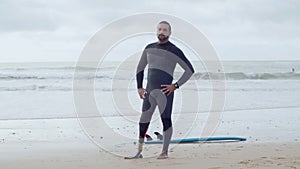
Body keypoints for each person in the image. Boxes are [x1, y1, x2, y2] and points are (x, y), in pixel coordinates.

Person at [135, 21, 194, 159]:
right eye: (160, 29)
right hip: (149, 92)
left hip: (165, 93)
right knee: (143, 120)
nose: (162, 32)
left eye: (165, 30)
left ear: (169, 33)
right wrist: (139, 87)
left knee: (166, 119)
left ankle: (164, 152)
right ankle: (138, 151)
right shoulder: (149, 48)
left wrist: (175, 85)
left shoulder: (174, 50)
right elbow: (140, 68)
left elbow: (189, 70)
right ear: (156, 31)